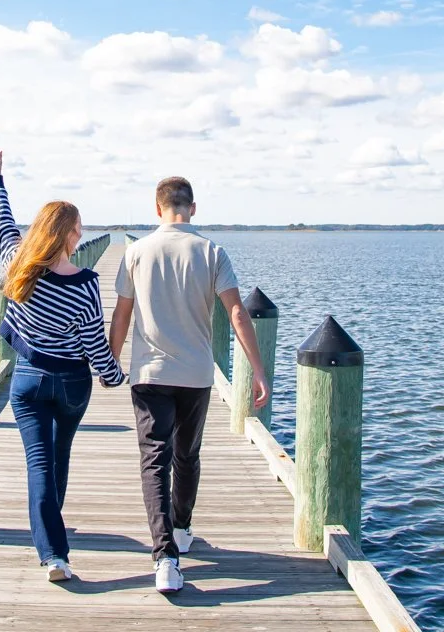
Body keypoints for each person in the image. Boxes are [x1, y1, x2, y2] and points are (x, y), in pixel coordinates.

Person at [0, 144, 125, 583]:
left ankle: (53, 553)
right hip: (73, 383)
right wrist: (115, 377)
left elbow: (2, 222)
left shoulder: (18, 264)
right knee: (58, 461)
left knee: (39, 465)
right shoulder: (85, 284)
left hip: (29, 378)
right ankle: (52, 544)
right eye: (78, 231)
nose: (81, 237)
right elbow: (95, 344)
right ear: (68, 235)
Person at [109, 175, 270, 594]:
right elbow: (237, 313)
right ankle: (181, 529)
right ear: (193, 208)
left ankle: (165, 558)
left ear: (156, 208)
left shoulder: (137, 252)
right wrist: (257, 369)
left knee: (153, 461)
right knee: (187, 455)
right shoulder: (212, 251)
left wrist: (108, 362)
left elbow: (122, 316)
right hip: (196, 376)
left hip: (149, 376)